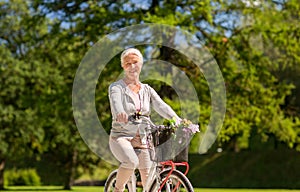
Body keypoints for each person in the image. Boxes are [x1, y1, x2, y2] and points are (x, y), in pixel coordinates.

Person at [108, 48, 181, 192]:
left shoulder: (147, 89)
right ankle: (118, 189)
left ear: (141, 64)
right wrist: (120, 113)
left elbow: (160, 105)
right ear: (123, 66)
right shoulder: (116, 87)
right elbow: (116, 103)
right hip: (121, 137)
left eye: (135, 62)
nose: (132, 66)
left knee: (149, 180)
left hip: (142, 139)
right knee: (131, 161)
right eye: (127, 63)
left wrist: (175, 118)